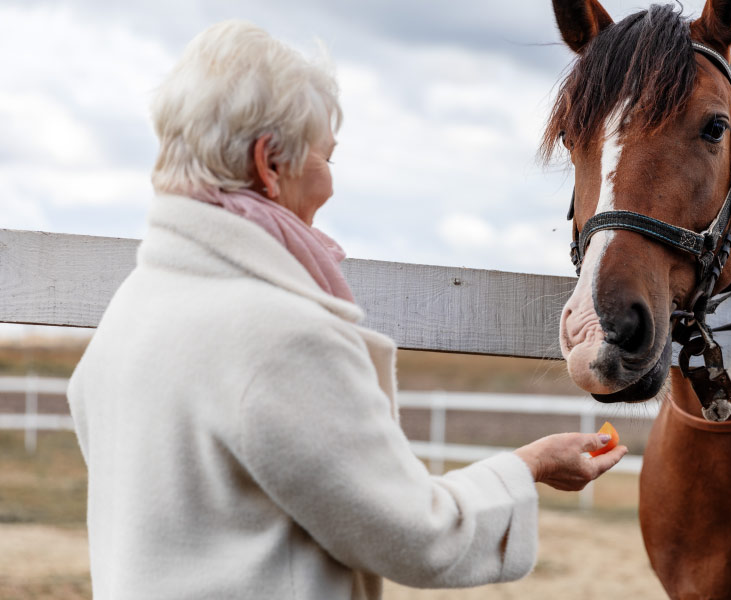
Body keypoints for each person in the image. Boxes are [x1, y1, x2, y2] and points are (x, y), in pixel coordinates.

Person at [67, 20, 627, 599]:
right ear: (270, 164)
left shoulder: (130, 314)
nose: (330, 186)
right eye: (325, 158)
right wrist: (530, 465)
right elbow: (417, 534)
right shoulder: (280, 337)